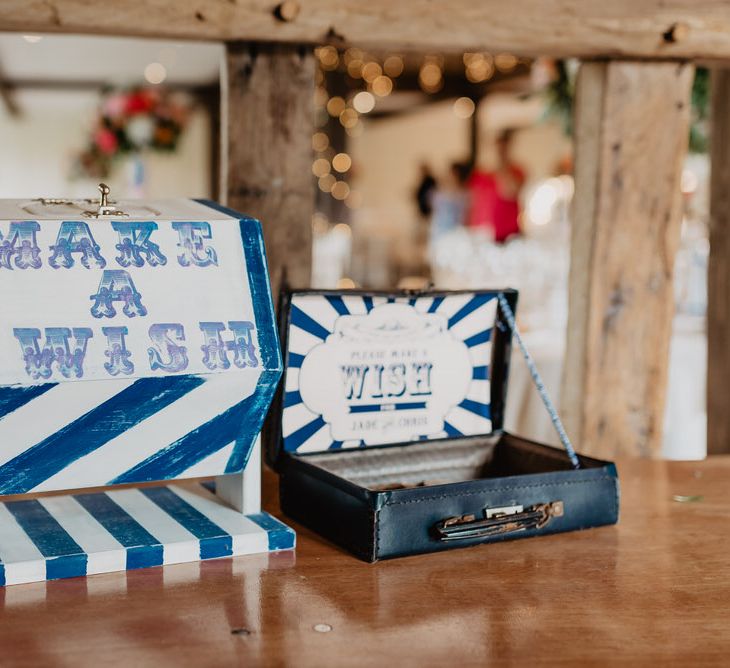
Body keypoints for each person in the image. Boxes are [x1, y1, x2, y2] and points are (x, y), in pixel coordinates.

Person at [468, 129, 525, 243]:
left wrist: (502, 167)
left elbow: (510, 192)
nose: (500, 151)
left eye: (504, 148)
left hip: (510, 229)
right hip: (486, 230)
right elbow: (474, 201)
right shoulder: (482, 173)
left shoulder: (516, 171)